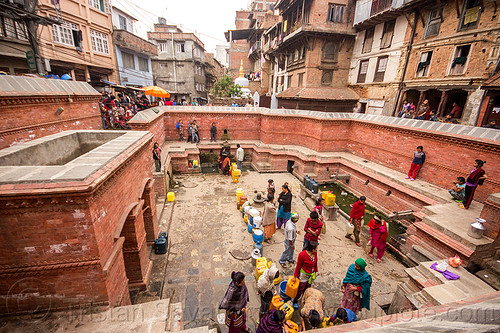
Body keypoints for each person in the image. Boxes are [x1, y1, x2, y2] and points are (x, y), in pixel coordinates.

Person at [292, 241, 318, 308]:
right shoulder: (302, 255)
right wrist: (295, 276)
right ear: (312, 249)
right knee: (300, 289)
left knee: (307, 288)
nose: (317, 249)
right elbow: (298, 266)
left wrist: (315, 271)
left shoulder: (315, 254)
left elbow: (315, 263)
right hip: (303, 275)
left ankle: (304, 298)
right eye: (316, 248)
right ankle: (295, 300)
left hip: (310, 275)